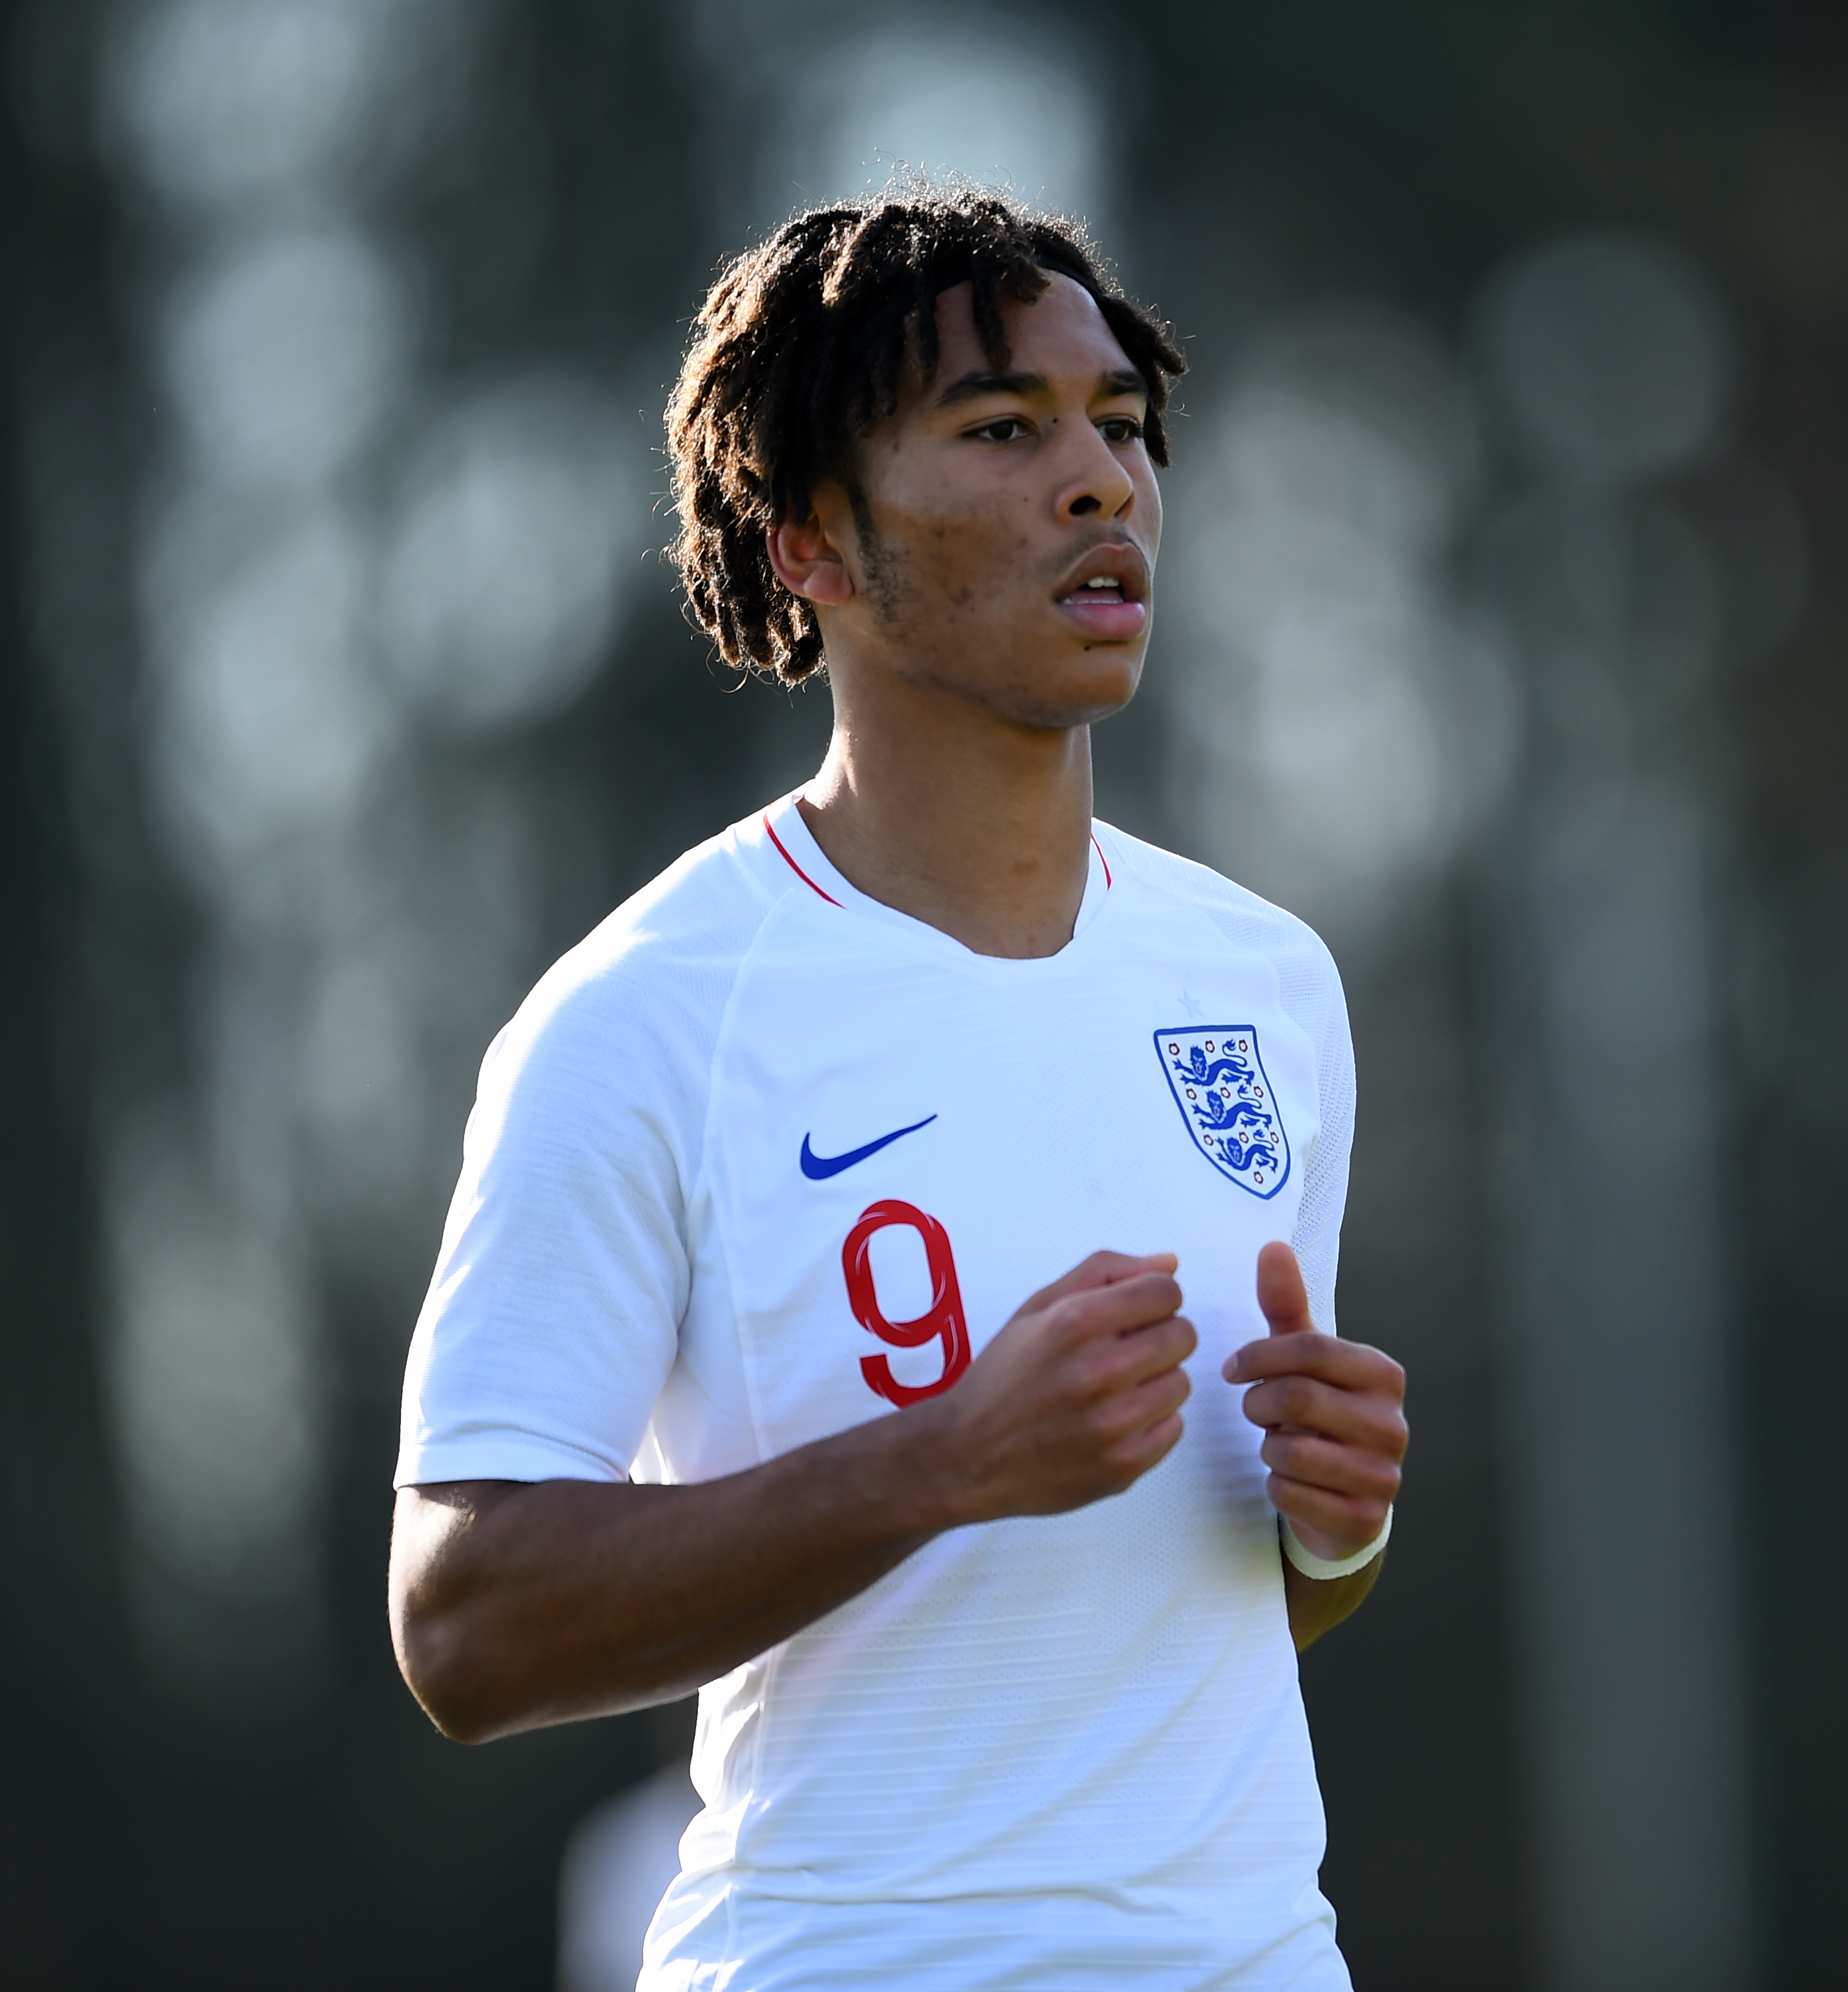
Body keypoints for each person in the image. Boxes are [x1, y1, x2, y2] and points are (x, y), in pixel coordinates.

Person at [384, 183, 1408, 1991]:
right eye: (1003, 430)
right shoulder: (644, 1018)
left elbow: (1232, 1602)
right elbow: (464, 1629)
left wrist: (1338, 1521)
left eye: (1120, 424)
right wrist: (938, 1463)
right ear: (812, 548)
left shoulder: (1264, 985)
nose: (1100, 482)